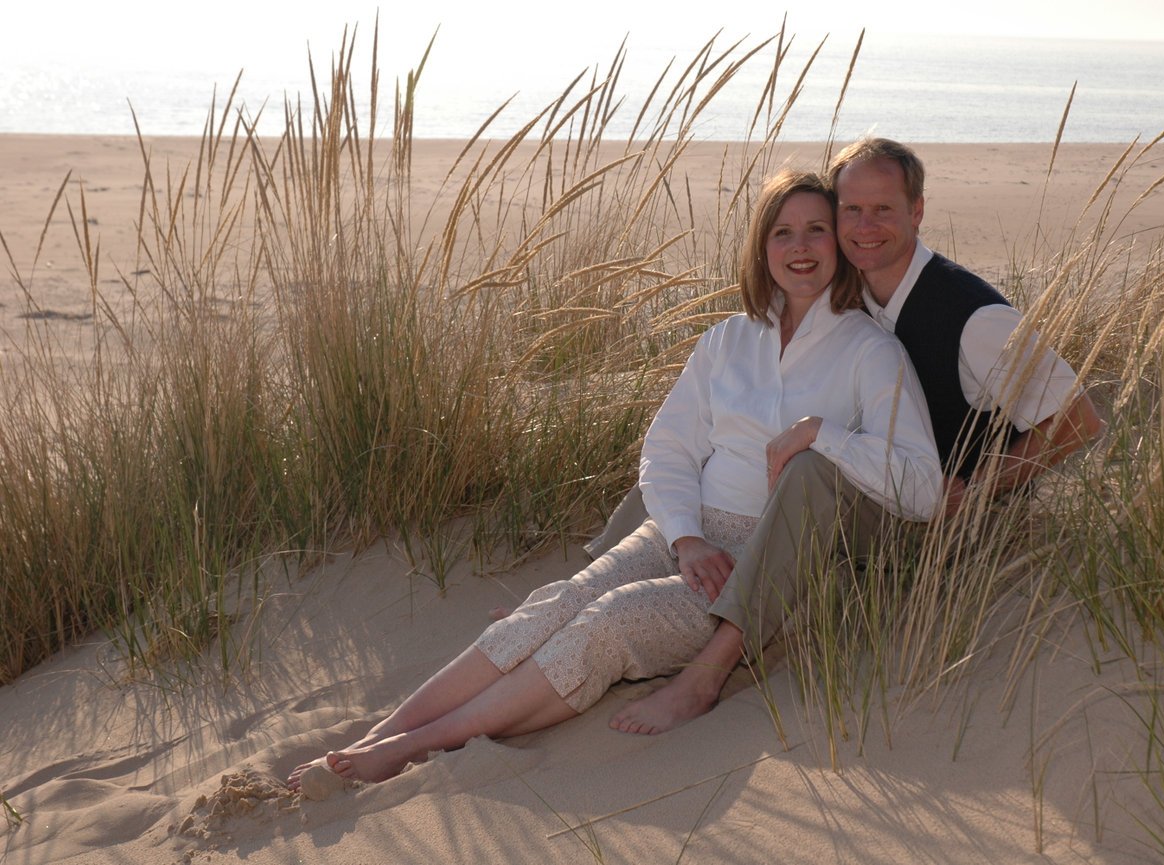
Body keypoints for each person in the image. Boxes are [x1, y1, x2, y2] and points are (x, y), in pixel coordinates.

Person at [286, 169, 941, 788]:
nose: (799, 247)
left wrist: (822, 433)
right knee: (559, 600)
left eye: (816, 230)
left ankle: (416, 746)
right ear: (760, 246)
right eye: (782, 232)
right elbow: (667, 449)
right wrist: (685, 537)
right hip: (684, 532)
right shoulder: (727, 341)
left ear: (838, 243)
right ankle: (384, 731)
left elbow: (921, 488)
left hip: (760, 561)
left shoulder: (869, 350)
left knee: (608, 622)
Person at [605, 137, 1103, 736]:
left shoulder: (975, 319)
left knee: (809, 472)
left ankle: (708, 674)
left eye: (884, 209)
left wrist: (977, 490)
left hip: (940, 520)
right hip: (877, 484)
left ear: (917, 210)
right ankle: (579, 593)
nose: (865, 227)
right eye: (851, 211)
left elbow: (1080, 422)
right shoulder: (857, 289)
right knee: (704, 452)